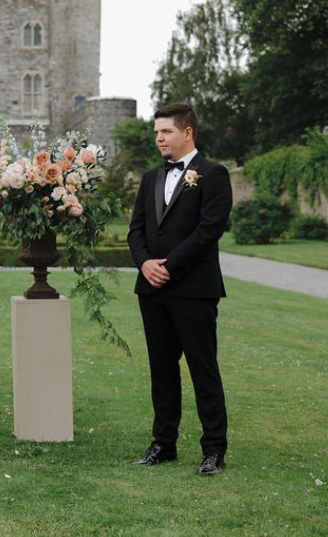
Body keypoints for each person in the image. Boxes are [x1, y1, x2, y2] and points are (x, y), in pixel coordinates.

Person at [127, 102, 233, 476]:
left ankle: (213, 450)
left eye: (166, 131)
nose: (158, 138)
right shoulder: (151, 178)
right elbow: (135, 230)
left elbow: (208, 230)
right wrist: (144, 263)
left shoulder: (213, 174)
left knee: (203, 369)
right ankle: (163, 443)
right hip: (151, 289)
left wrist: (168, 267)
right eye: (156, 132)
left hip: (193, 289)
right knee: (161, 369)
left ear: (187, 132)